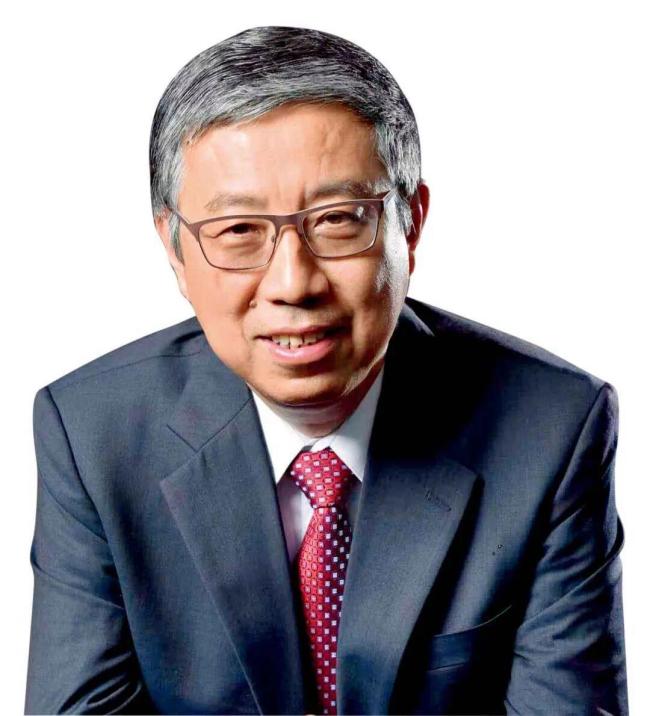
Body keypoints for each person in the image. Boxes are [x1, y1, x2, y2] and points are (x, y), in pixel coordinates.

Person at [24, 25, 627, 715]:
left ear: (411, 223)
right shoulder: (92, 434)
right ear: (174, 250)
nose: (293, 283)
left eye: (339, 220)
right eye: (239, 231)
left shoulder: (552, 428)